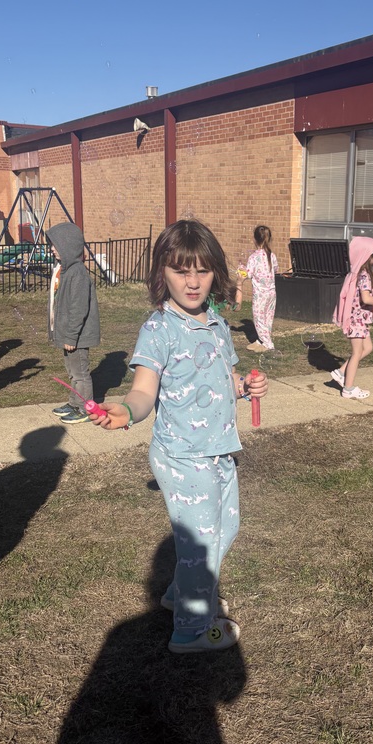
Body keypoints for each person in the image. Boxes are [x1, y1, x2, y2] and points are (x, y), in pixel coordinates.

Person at [90, 219, 268, 654]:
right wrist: (127, 412)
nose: (192, 282)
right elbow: (143, 391)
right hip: (183, 455)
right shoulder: (158, 329)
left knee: (225, 529)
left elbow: (224, 377)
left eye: (202, 271)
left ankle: (178, 594)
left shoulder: (218, 324)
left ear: (216, 273)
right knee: (201, 543)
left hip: (220, 450)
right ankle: (192, 629)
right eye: (180, 271)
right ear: (161, 274)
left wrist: (244, 386)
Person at [46, 222, 101, 424]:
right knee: (73, 372)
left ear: (68, 245)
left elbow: (78, 309)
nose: (52, 248)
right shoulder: (66, 270)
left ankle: (85, 408)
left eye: (56, 244)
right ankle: (74, 402)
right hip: (69, 334)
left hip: (77, 335)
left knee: (80, 374)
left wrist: (71, 336)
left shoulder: (77, 273)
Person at [331, 235, 373, 400]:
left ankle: (341, 372)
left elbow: (359, 299)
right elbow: (366, 298)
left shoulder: (356, 272)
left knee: (367, 348)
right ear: (368, 256)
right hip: (357, 320)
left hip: (359, 318)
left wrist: (372, 304)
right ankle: (348, 389)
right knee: (356, 353)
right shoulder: (364, 275)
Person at [234, 224, 278, 351]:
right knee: (267, 318)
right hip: (271, 293)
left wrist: (241, 270)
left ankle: (268, 344)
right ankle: (261, 340)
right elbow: (275, 270)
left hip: (260, 294)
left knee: (259, 319)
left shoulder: (254, 257)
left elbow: (248, 274)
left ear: (255, 239)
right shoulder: (272, 255)